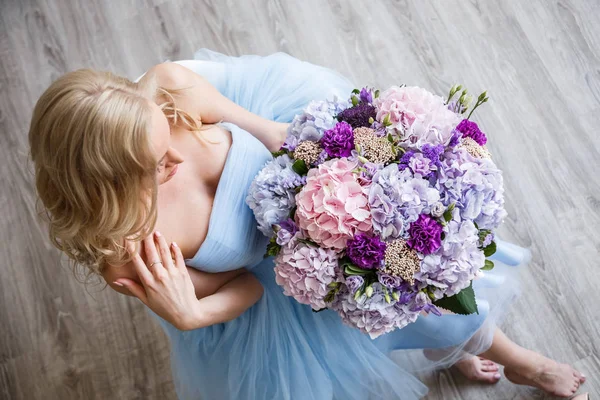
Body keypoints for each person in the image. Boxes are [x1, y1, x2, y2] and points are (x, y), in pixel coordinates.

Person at [28, 49, 587, 399]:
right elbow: (243, 285)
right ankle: (473, 350)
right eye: (154, 167)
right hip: (283, 279)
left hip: (312, 183)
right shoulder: (129, 253)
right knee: (392, 311)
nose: (174, 160)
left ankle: (514, 361)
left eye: (165, 136)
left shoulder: (165, 92)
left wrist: (315, 165)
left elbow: (262, 129)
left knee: (435, 290)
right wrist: (192, 315)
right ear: (107, 186)